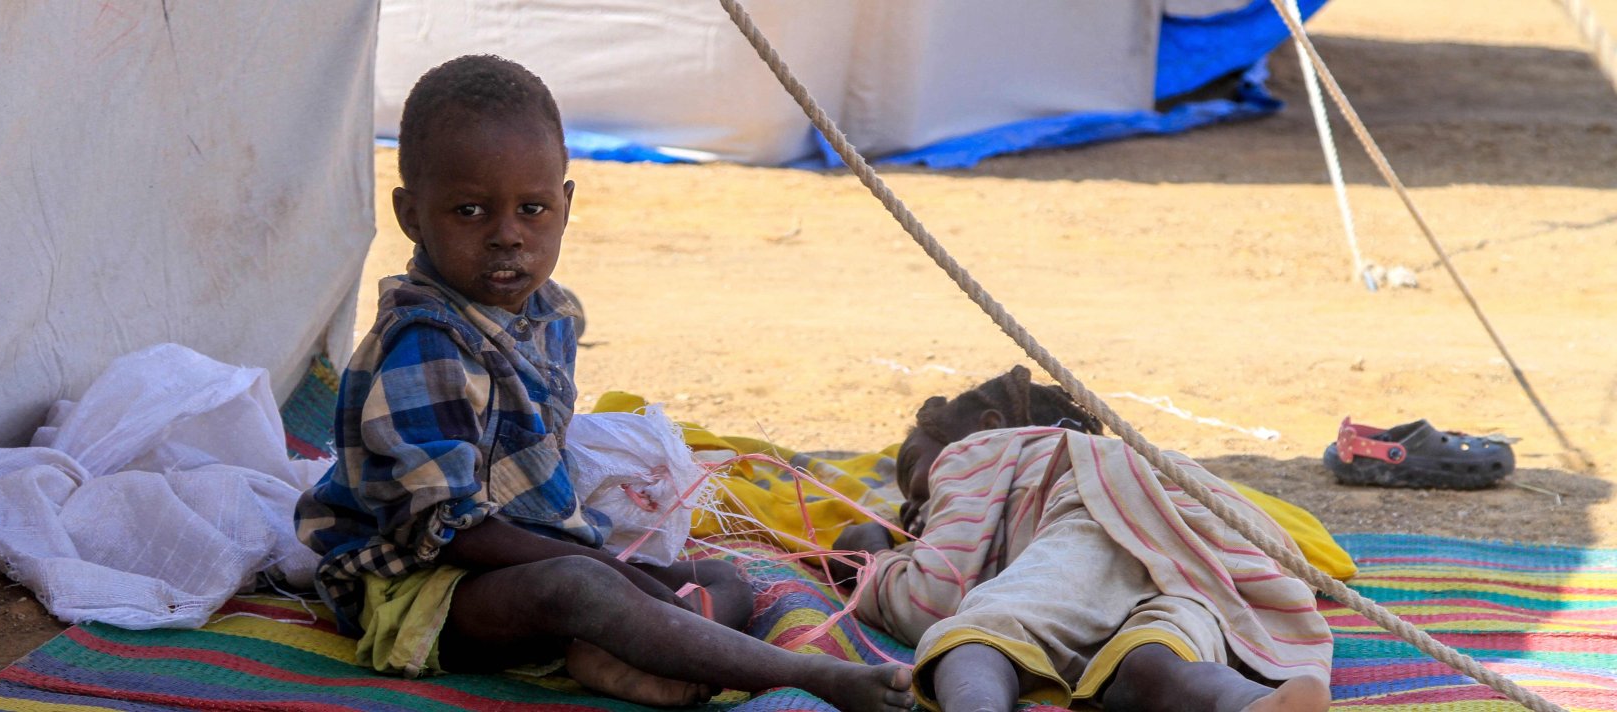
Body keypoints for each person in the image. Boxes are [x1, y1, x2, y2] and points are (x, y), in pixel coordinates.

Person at [295, 54, 912, 712]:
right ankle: (807, 676)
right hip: (417, 589)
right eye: (470, 211)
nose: (507, 236)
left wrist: (610, 565)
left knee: (718, 579)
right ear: (412, 216)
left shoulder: (548, 313)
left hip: (537, 557)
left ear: (566, 204)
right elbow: (451, 530)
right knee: (579, 590)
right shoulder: (425, 345)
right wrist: (605, 569)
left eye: (532, 209)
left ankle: (614, 653)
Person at [833, 366, 1332, 712]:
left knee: (991, 625)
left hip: (1103, 510)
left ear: (987, 426)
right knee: (1159, 649)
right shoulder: (1115, 458)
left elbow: (930, 597)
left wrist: (872, 553)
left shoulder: (977, 451)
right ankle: (1242, 702)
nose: (909, 507)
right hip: (1212, 542)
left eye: (909, 470)